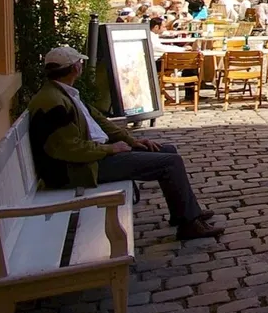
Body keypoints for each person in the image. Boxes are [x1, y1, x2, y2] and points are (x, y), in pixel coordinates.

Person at [28, 46, 223, 242]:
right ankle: (188, 224)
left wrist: (133, 141)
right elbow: (69, 149)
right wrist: (111, 149)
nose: (81, 65)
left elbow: (101, 122)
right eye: (79, 63)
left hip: (92, 157)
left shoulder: (64, 93)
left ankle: (185, 212)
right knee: (170, 163)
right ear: (74, 68)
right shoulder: (53, 102)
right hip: (82, 168)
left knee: (167, 150)